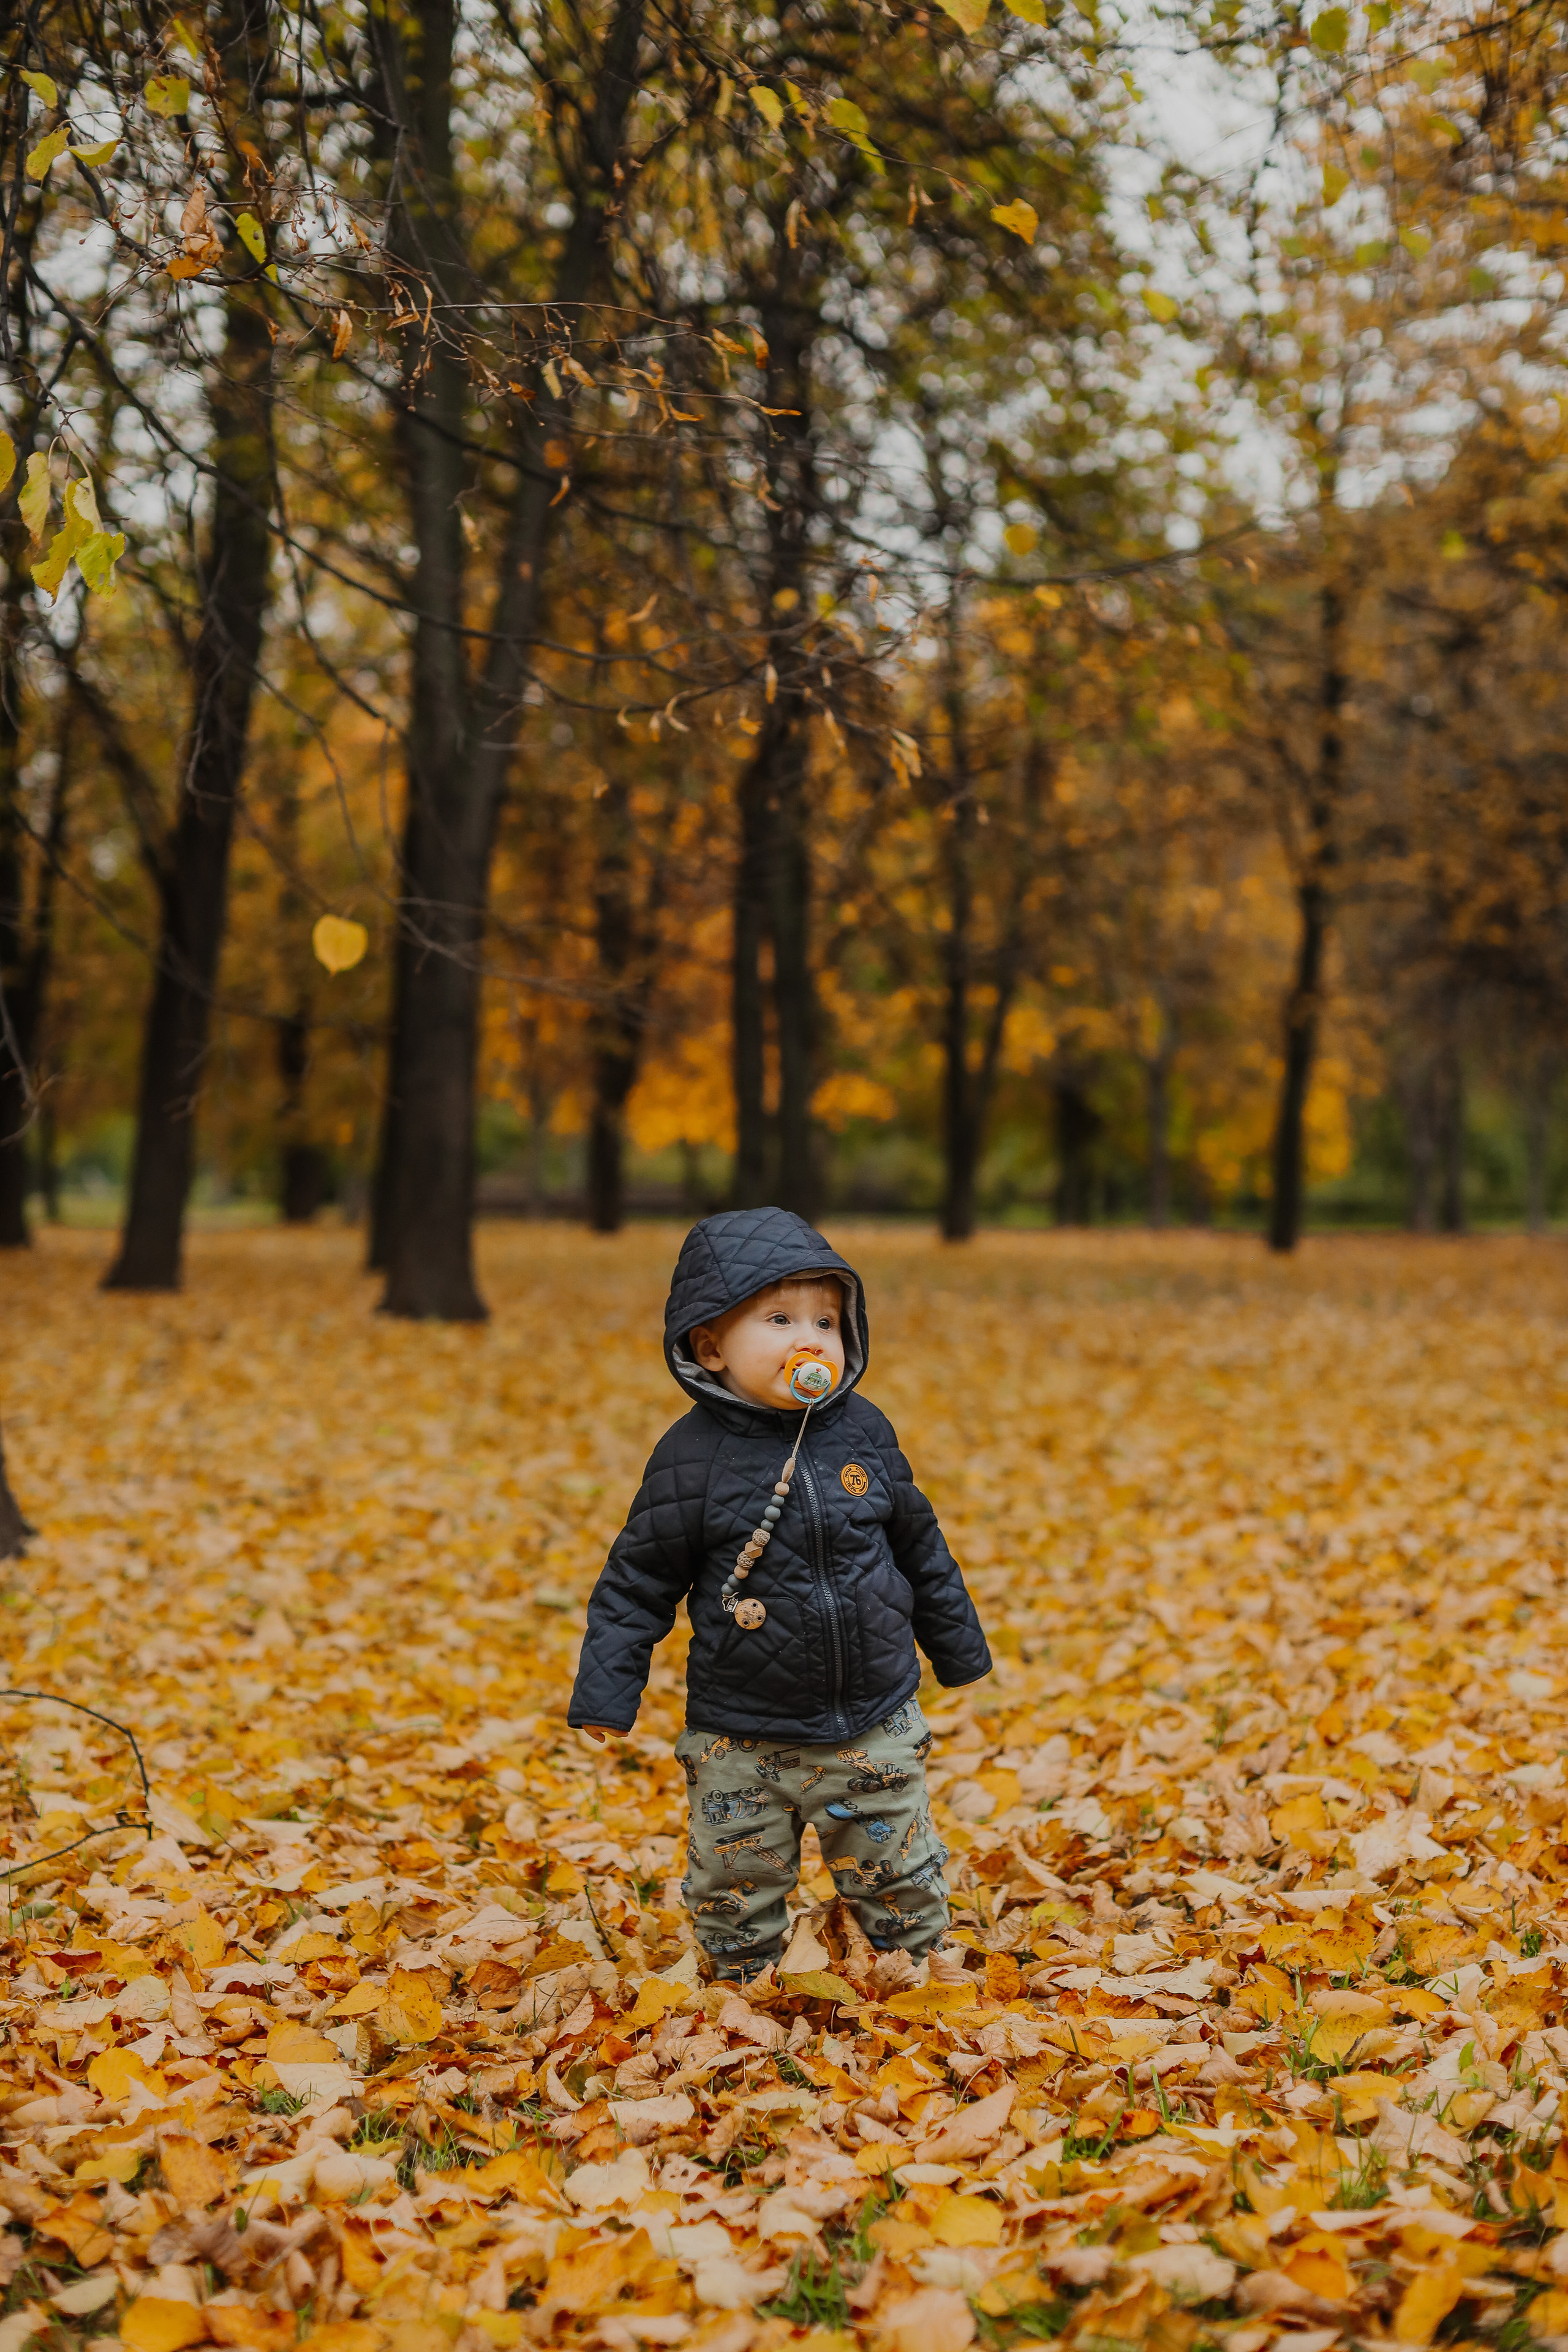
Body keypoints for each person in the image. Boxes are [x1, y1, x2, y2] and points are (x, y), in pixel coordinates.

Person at [568, 1206, 992, 1982]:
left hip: (873, 1721)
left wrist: (957, 1648)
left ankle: (913, 1977)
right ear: (710, 1347)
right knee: (735, 1883)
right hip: (741, 1734)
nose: (811, 1338)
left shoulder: (863, 1433)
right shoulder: (688, 1459)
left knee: (898, 1870)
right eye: (778, 1317)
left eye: (826, 1320)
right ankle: (741, 1986)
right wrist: (606, 1691)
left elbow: (919, 1546)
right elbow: (637, 1581)